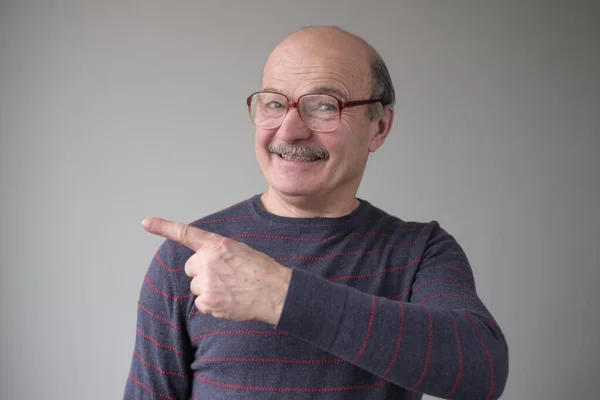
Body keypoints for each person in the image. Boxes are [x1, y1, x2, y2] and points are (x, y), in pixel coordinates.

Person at [123, 26, 509, 399]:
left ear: (379, 127)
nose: (290, 131)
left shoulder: (420, 252)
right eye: (274, 103)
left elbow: (482, 371)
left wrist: (279, 295)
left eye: (324, 106)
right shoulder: (190, 259)